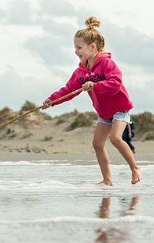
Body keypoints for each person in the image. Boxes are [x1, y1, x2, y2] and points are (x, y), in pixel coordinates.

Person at [44, 16, 141, 185]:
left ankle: (135, 169)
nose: (76, 51)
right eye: (75, 47)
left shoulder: (107, 64)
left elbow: (115, 84)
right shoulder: (80, 72)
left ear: (92, 47)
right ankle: (107, 180)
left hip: (120, 108)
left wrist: (95, 85)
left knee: (116, 138)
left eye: (79, 47)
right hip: (104, 112)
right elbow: (69, 90)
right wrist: (52, 100)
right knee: (97, 143)